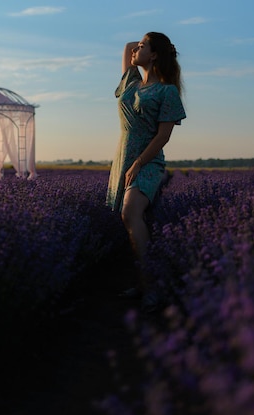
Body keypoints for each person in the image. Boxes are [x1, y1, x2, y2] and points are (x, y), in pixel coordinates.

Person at [105, 32, 186, 313]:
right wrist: (141, 45)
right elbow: (126, 47)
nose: (134, 50)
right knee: (130, 221)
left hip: (148, 160)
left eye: (143, 47)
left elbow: (163, 136)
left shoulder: (167, 91)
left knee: (130, 213)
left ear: (154, 55)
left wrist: (139, 162)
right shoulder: (130, 81)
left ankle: (152, 286)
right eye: (137, 46)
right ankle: (142, 283)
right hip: (123, 157)